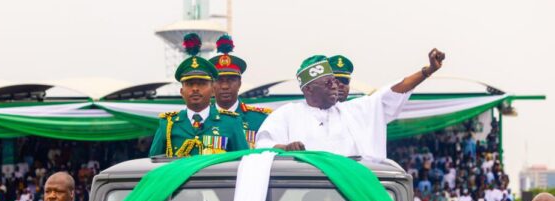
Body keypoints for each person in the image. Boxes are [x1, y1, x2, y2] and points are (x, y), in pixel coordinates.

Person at [255, 49, 445, 159]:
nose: (335, 86)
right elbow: (263, 146)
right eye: (328, 82)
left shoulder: (356, 110)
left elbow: (393, 91)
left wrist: (427, 71)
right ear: (309, 90)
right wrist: (286, 148)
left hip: (353, 198)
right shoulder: (287, 114)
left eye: (336, 81)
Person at [149, 33, 249, 157]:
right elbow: (154, 162)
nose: (195, 89)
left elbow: (243, 162)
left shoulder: (231, 122)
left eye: (201, 84)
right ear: (181, 92)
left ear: (213, 90)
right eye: (190, 84)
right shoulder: (168, 124)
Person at [209, 34, 271, 148]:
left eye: (231, 80)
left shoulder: (259, 119)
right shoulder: (203, 119)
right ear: (212, 85)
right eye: (219, 80)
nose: (225, 86)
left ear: (239, 84)